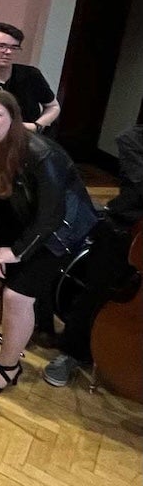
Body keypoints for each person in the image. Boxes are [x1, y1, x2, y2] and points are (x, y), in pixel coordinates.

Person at [0, 90, 98, 393]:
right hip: (14, 225)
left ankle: (9, 366)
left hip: (58, 233)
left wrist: (17, 252)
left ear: (13, 118)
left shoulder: (40, 152)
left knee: (16, 296)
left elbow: (52, 214)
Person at [44, 121, 142, 387]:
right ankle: (73, 353)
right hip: (125, 231)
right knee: (96, 293)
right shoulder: (132, 138)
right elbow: (137, 188)